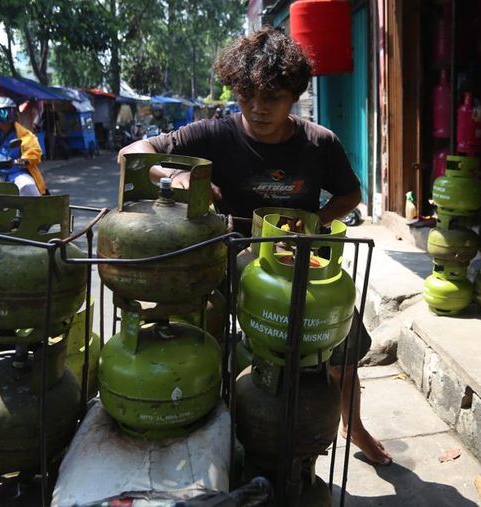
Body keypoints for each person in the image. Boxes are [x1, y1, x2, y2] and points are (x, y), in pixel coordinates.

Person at [118, 26, 392, 466]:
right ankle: (215, 432)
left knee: (340, 351)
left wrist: (317, 222)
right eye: (246, 96)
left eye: (272, 98)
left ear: (294, 96)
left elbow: (350, 196)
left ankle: (353, 425)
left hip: (300, 264)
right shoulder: (212, 134)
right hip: (231, 260)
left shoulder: (319, 143)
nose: (258, 108)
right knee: (209, 345)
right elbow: (133, 153)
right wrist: (176, 176)